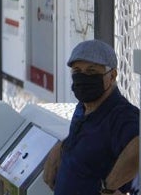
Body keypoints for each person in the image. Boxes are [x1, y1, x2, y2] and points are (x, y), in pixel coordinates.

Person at [43, 39, 139, 195]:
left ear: (112, 75)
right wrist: (62, 147)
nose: (83, 77)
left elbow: (137, 150)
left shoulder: (122, 114)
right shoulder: (84, 106)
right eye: (77, 71)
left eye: (91, 71)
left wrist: (108, 188)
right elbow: (89, 141)